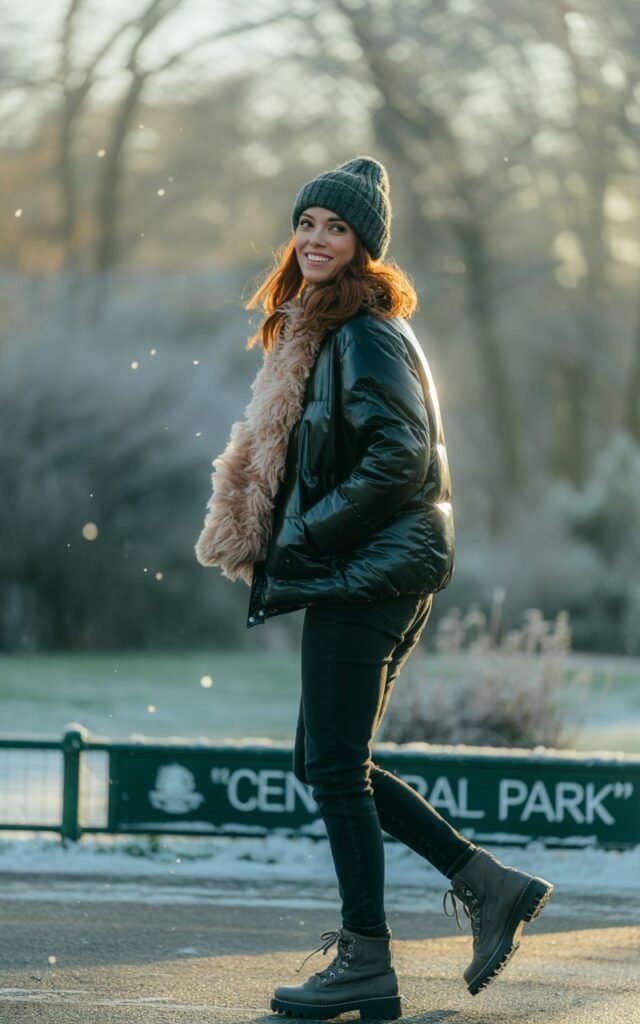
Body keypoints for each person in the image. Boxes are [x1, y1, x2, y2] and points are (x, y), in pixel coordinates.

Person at [195, 156, 553, 1021]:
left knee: (333, 767)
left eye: (336, 228)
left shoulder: (363, 330)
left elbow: (401, 456)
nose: (316, 240)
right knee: (323, 762)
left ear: (363, 247)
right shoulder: (326, 327)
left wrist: (305, 533)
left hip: (372, 576)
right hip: (374, 574)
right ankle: (485, 884)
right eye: (308, 223)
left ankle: (366, 959)